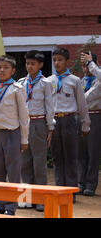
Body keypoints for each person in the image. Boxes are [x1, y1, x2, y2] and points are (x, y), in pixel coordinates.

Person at [0, 55, 29, 216]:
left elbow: (24, 117)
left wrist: (24, 139)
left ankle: (11, 207)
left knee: (13, 171)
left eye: (6, 67)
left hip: (12, 133)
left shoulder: (17, 89)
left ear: (13, 71)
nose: (2, 70)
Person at [48, 48, 90, 202]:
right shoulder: (49, 81)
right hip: (54, 122)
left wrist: (86, 124)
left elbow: (82, 104)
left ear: (67, 62)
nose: (57, 62)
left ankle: (70, 192)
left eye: (60, 59)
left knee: (71, 157)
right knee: (57, 157)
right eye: (54, 60)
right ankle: (60, 190)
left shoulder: (75, 80)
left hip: (69, 120)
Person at [17, 50, 55, 212]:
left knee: (39, 163)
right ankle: (26, 199)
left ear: (40, 65)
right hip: (24, 125)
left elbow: (50, 107)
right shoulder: (20, 83)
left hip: (39, 123)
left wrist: (50, 128)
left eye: (33, 63)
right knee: (24, 163)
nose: (29, 66)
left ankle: (40, 200)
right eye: (27, 63)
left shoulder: (45, 83)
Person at [77, 53, 100, 196]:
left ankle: (90, 184)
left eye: (88, 64)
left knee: (93, 152)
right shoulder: (80, 81)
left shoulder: (98, 80)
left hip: (95, 116)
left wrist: (92, 63)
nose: (86, 68)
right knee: (81, 153)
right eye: (84, 65)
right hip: (81, 117)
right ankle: (81, 183)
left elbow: (86, 97)